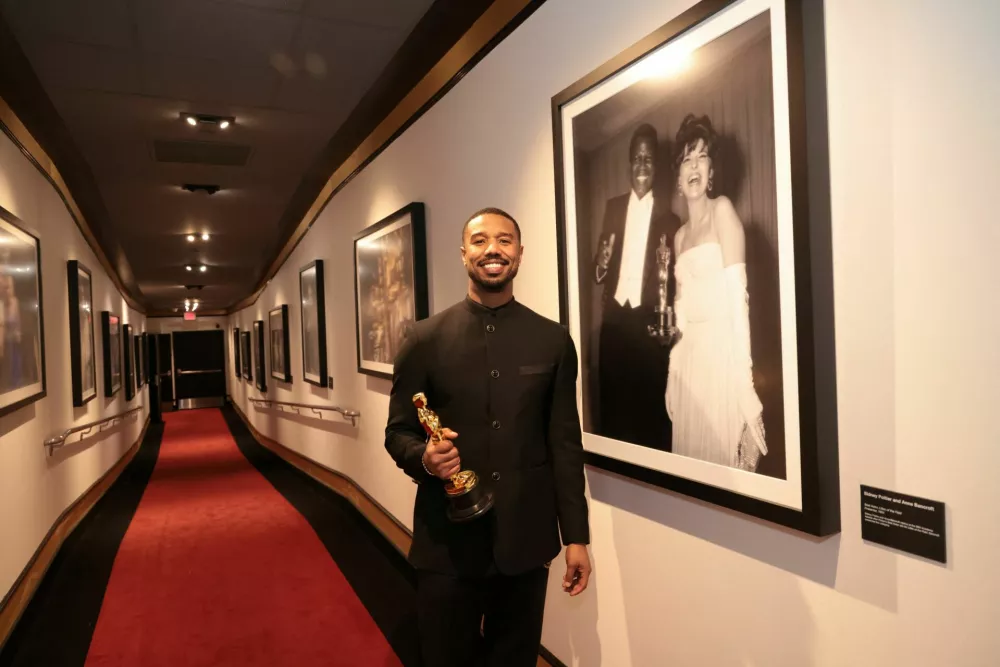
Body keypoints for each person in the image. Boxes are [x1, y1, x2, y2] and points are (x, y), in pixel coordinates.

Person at [385, 208, 591, 667]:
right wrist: (424, 458)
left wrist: (576, 535)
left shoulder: (553, 341)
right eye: (479, 241)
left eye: (504, 240)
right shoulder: (422, 339)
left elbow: (564, 444)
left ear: (519, 253)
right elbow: (397, 431)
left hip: (526, 541)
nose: (492, 250)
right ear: (463, 254)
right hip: (446, 545)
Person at [665, 113, 767, 471]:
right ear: (678, 178)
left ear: (711, 171)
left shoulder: (723, 211)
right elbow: (680, 318)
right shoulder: (678, 237)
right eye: (686, 159)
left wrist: (745, 384)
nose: (694, 165)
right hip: (691, 366)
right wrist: (672, 376)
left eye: (702, 156)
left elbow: (739, 305)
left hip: (722, 360)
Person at [592, 123, 681, 450]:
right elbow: (599, 271)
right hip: (614, 323)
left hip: (647, 327)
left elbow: (671, 284)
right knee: (613, 408)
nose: (642, 165)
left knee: (648, 412)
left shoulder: (670, 220)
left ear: (656, 167)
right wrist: (601, 262)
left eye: (649, 159)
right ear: (629, 164)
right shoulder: (613, 208)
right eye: (637, 158)